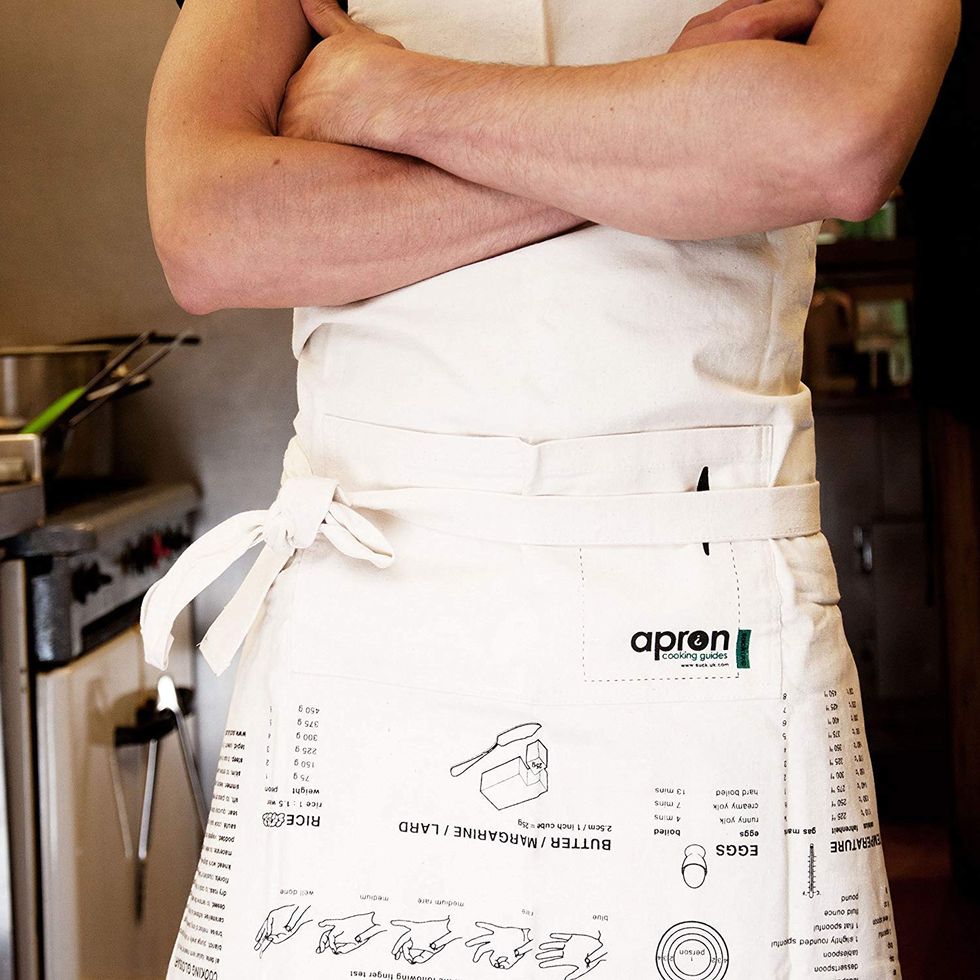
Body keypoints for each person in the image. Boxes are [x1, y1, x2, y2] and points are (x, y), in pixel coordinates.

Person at [141, 0, 960, 977]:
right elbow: (208, 234)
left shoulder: (372, 80)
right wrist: (668, 134)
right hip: (367, 608)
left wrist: (391, 95)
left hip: (700, 616)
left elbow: (840, 142)